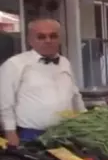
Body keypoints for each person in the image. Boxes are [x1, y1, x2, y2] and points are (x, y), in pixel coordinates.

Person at [0, 18, 86, 146]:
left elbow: (75, 95)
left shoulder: (65, 62)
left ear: (59, 38)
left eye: (53, 36)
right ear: (30, 40)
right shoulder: (15, 64)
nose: (48, 40)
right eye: (41, 37)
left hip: (66, 133)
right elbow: (5, 102)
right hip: (30, 135)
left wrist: (85, 119)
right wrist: (10, 133)